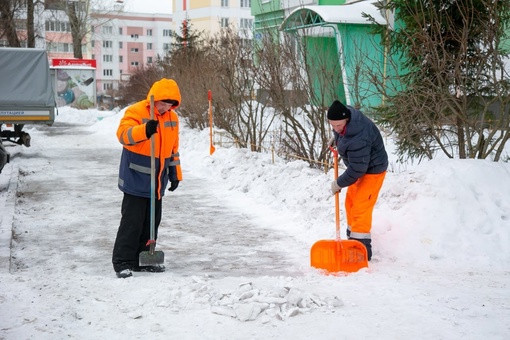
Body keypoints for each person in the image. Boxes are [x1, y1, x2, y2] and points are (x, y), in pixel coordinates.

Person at [112, 78, 182, 278]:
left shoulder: (172, 119)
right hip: (136, 178)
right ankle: (123, 261)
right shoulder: (136, 112)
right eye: (163, 103)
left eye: (170, 104)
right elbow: (123, 135)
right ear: (154, 99)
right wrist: (145, 130)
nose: (166, 108)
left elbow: (173, 150)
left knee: (151, 223)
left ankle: (143, 259)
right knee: (132, 223)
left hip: (157, 181)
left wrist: (175, 174)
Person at [327, 100, 388, 261]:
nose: (336, 129)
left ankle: (361, 252)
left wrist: (338, 183)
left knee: (361, 208)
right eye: (333, 126)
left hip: (372, 170)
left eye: (339, 126)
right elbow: (342, 133)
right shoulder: (345, 119)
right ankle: (352, 243)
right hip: (360, 167)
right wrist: (338, 138)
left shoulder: (359, 135)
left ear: (346, 119)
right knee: (350, 202)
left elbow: (357, 169)